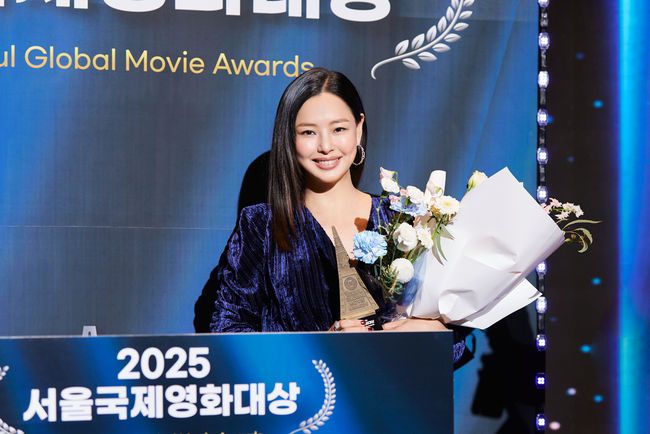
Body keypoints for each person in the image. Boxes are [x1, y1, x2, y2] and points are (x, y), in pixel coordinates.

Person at [194, 68, 468, 363]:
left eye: (338, 129)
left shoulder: (402, 220)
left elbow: (453, 342)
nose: (325, 146)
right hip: (301, 390)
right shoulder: (261, 226)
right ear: (289, 137)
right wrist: (324, 346)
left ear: (358, 128)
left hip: (398, 390)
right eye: (308, 132)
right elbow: (227, 332)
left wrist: (430, 333)